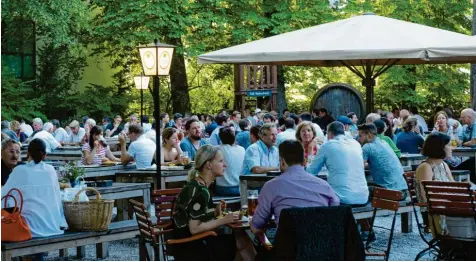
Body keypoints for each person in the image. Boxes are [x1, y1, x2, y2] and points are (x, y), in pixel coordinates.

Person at [172, 145, 255, 261]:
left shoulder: (197, 184)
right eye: (221, 161)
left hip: (184, 243)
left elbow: (193, 216)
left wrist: (215, 213)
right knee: (238, 240)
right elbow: (194, 229)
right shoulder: (202, 191)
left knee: (240, 238)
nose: (225, 165)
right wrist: (224, 220)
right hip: (191, 246)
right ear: (208, 165)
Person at [250, 140, 340, 234]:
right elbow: (335, 209)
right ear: (304, 161)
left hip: (288, 245)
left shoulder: (271, 186)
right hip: (322, 244)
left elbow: (257, 224)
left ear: (282, 161)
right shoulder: (324, 185)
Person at [2, 138, 67, 240]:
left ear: (28, 153)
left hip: (27, 229)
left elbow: (3, 196)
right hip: (53, 227)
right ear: (45, 155)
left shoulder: (19, 170)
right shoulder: (51, 170)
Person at [307, 122, 369, 206]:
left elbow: (310, 172)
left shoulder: (327, 145)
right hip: (363, 197)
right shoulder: (356, 144)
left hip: (342, 200)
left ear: (329, 133)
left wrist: (310, 152)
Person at [415, 133, 455, 231]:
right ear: (439, 148)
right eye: (449, 145)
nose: (452, 148)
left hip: (447, 207)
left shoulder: (443, 164)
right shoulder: (426, 167)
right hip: (433, 212)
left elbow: (454, 187)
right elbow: (427, 197)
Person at [358, 124, 408, 198]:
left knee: (360, 190)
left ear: (368, 134)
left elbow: (359, 167)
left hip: (391, 193)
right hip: (404, 192)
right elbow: (379, 163)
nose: (358, 139)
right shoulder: (384, 143)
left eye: (360, 136)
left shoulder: (367, 147)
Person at [216, 127, 245, 196]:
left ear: (220, 138)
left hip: (223, 189)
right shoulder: (242, 149)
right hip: (241, 188)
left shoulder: (216, 149)